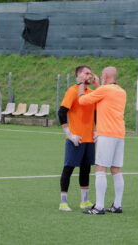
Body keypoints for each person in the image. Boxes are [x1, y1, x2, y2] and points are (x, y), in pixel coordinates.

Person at [78, 66, 127, 215]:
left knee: (100, 169)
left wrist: (81, 84)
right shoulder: (121, 91)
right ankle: (117, 205)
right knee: (116, 170)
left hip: (106, 134)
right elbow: (104, 98)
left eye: (101, 75)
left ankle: (99, 206)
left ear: (105, 76)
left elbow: (82, 100)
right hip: (119, 134)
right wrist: (98, 85)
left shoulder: (104, 90)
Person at [58, 65, 97, 212]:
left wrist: (97, 131)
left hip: (89, 140)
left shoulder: (92, 93)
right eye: (87, 73)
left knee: (86, 170)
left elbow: (96, 114)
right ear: (79, 75)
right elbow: (62, 112)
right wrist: (69, 134)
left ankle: (85, 201)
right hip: (76, 138)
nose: (90, 75)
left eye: (90, 73)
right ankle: (63, 202)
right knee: (68, 168)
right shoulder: (72, 91)